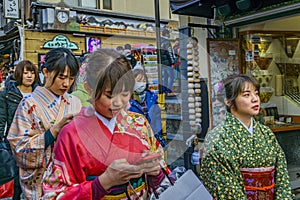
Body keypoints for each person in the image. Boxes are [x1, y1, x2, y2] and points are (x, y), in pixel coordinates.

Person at [42, 49, 166, 199]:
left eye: (125, 94)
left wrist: (156, 172)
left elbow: (162, 175)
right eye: (110, 95)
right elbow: (53, 195)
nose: (118, 102)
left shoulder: (139, 123)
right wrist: (102, 183)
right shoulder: (71, 133)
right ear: (90, 89)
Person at [200, 74, 294, 199]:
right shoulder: (217, 138)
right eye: (246, 95)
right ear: (228, 101)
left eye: (256, 93)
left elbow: (282, 176)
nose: (255, 99)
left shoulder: (266, 133)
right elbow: (225, 188)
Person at [7, 48, 82, 199]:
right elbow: (19, 148)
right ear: (46, 72)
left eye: (71, 78)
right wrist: (53, 132)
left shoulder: (75, 102)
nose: (66, 83)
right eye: (61, 77)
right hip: (40, 184)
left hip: (71, 181)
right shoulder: (28, 104)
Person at [0, 60, 41, 199]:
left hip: (36, 141)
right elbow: (2, 120)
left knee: (36, 179)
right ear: (19, 74)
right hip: (14, 142)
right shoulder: (7, 94)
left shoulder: (40, 94)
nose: (29, 76)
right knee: (16, 179)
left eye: (32, 72)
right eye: (25, 72)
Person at [129, 67, 167, 147]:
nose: (142, 84)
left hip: (153, 139)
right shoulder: (127, 101)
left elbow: (157, 122)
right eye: (139, 81)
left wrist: (156, 138)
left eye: (144, 81)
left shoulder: (152, 98)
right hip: (136, 141)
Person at [160, 28, 175, 95]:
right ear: (166, 34)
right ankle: (169, 90)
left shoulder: (159, 41)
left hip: (162, 63)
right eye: (169, 34)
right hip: (167, 62)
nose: (169, 35)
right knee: (171, 77)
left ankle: (164, 90)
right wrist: (172, 62)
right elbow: (169, 53)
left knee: (165, 77)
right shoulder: (167, 42)